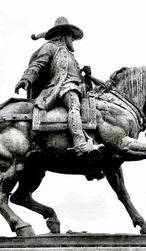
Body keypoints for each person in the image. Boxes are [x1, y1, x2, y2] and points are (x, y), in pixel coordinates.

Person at [14, 17, 103, 155]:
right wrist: (26, 78)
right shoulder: (50, 47)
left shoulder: (70, 55)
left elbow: (76, 77)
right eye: (71, 35)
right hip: (63, 88)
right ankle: (80, 143)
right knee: (74, 106)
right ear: (63, 35)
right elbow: (39, 64)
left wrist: (86, 77)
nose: (73, 39)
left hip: (77, 88)